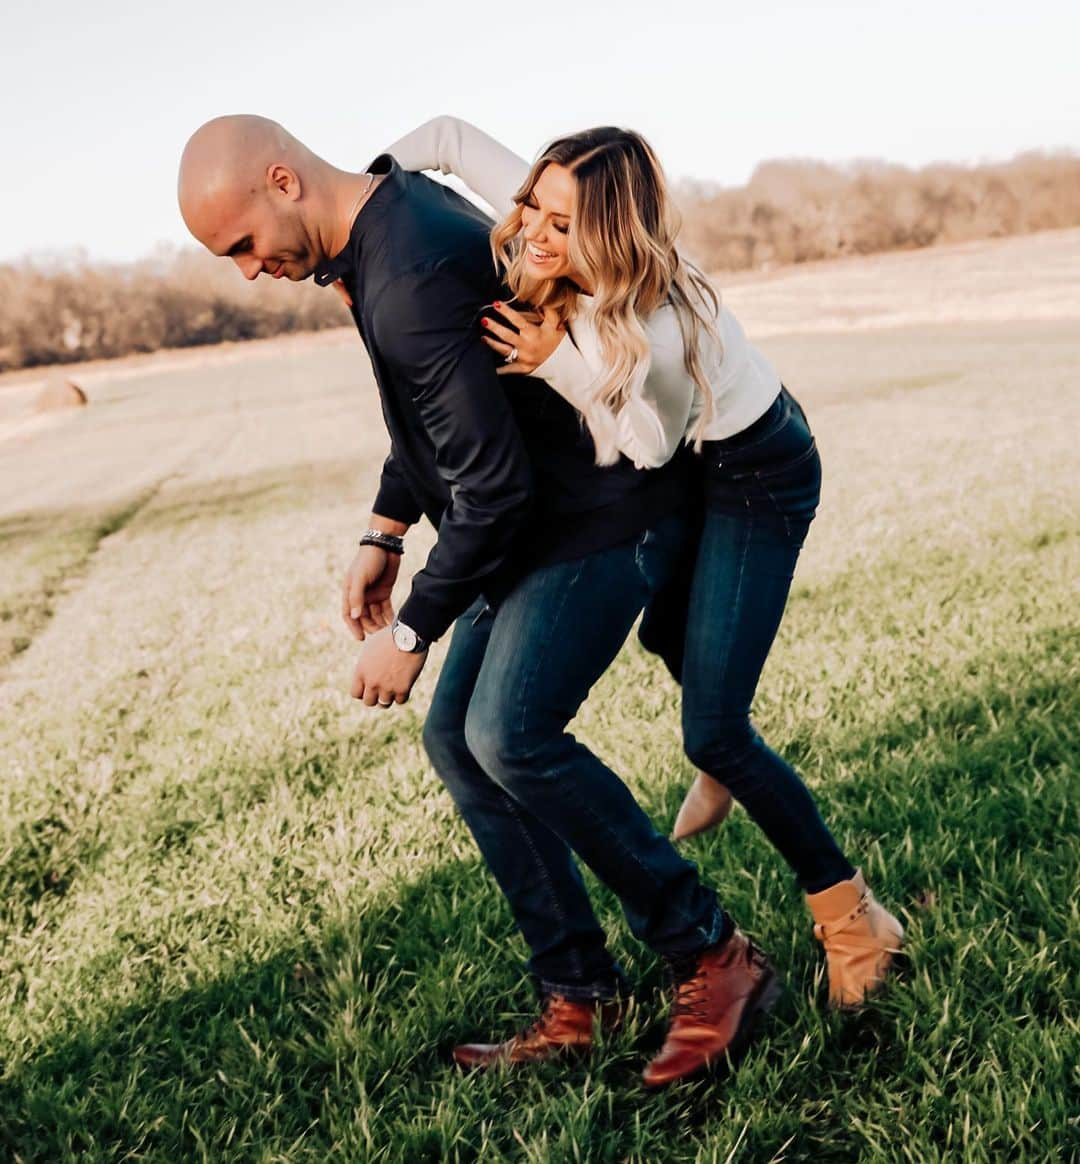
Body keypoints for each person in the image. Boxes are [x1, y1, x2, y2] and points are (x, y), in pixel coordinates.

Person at [178, 114, 783, 1089]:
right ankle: (582, 996)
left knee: (509, 734)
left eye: (242, 245)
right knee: (460, 740)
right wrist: (385, 526)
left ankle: (712, 952)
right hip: (541, 514)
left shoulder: (407, 267)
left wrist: (414, 628)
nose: (247, 270)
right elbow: (436, 421)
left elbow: (493, 484)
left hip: (597, 512)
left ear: (282, 181)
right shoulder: (384, 237)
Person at [385, 115, 904, 1011]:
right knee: (668, 627)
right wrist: (375, 194)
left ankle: (854, 917)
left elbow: (652, 448)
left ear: (613, 233)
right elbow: (445, 138)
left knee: (714, 726)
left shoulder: (651, 326)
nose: (535, 236)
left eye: (561, 226)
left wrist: (562, 365)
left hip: (754, 470)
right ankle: (724, 744)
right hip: (702, 460)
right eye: (532, 209)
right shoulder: (563, 205)